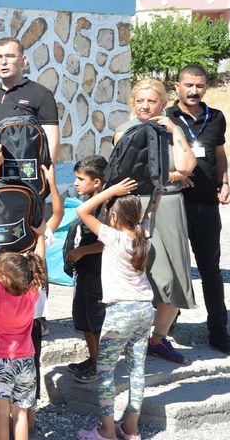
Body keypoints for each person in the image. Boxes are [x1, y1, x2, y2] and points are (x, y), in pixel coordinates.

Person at [113, 79, 196, 364]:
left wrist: (175, 132)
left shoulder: (173, 130)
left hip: (170, 206)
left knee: (174, 273)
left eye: (152, 101)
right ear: (133, 103)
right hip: (136, 203)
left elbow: (186, 166)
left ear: (163, 103)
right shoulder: (124, 131)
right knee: (134, 271)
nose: (146, 106)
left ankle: (158, 338)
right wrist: (170, 176)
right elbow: (130, 173)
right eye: (140, 101)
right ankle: (129, 338)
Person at [75, 179, 155, 440]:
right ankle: (131, 429)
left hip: (120, 312)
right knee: (137, 369)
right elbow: (153, 210)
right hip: (145, 309)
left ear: (113, 216)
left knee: (106, 371)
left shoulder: (113, 237)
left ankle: (107, 431)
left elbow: (82, 211)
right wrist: (157, 190)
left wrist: (111, 191)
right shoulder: (143, 234)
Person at [167, 64, 230, 355]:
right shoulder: (166, 117)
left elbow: (219, 153)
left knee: (210, 270)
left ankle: (218, 332)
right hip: (173, 204)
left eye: (199, 85)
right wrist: (174, 174)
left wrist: (224, 181)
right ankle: (166, 325)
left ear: (205, 86)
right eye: (188, 85)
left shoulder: (217, 118)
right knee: (171, 269)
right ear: (177, 87)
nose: (194, 90)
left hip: (207, 205)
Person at [0, 213, 45, 440]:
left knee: (1, 412)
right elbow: (39, 267)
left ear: (3, 279)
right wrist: (41, 238)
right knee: (21, 412)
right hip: (25, 360)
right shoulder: (31, 295)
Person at [0, 37, 60, 161]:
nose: (3, 62)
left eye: (10, 56)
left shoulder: (41, 94)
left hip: (28, 177)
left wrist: (47, 172)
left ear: (23, 61)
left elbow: (52, 142)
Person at [66, 155, 109, 384]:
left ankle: (100, 365)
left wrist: (82, 252)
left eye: (81, 179)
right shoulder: (91, 202)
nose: (76, 183)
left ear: (97, 182)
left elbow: (108, 241)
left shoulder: (105, 207)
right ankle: (93, 359)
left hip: (98, 273)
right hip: (84, 272)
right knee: (84, 319)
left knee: (96, 321)